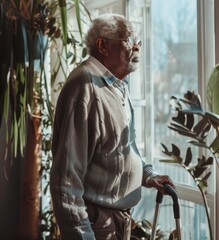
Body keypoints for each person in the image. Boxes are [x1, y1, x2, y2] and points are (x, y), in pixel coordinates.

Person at [50, 13, 174, 240]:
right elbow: (65, 180)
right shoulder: (85, 86)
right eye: (129, 39)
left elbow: (121, 149)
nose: (136, 46)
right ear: (102, 45)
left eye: (138, 40)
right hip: (97, 224)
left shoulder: (116, 86)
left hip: (118, 221)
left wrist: (147, 175)